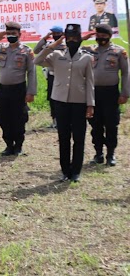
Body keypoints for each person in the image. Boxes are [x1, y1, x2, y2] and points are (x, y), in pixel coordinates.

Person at [34, 24, 94, 182]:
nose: (73, 40)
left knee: (79, 138)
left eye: (76, 37)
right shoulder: (57, 55)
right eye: (70, 38)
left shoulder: (86, 57)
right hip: (60, 102)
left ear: (80, 38)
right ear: (65, 39)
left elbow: (90, 83)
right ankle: (65, 170)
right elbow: (37, 60)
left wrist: (90, 104)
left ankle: (76, 171)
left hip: (79, 102)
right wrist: (51, 46)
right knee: (64, 137)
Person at [0, 22, 36, 156]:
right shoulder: (1, 48)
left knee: (18, 118)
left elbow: (31, 72)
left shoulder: (26, 51)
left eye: (14, 34)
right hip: (3, 90)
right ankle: (9, 145)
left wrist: (31, 92)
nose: (11, 36)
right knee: (4, 118)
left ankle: (18, 145)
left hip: (19, 89)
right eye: (8, 34)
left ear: (19, 35)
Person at [82, 24, 129, 166]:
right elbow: (70, 48)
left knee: (111, 124)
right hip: (93, 93)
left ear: (110, 36)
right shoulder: (89, 50)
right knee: (95, 124)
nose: (101, 38)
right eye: (98, 35)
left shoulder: (119, 51)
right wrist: (83, 38)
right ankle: (98, 153)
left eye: (104, 36)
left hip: (111, 93)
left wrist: (125, 93)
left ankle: (111, 154)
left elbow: (126, 73)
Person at [33, 25, 65, 128]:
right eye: (53, 34)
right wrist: (45, 38)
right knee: (52, 98)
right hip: (52, 75)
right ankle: (55, 120)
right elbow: (36, 50)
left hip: (64, 76)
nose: (55, 35)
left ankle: (65, 119)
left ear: (62, 34)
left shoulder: (66, 45)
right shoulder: (49, 45)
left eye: (57, 33)